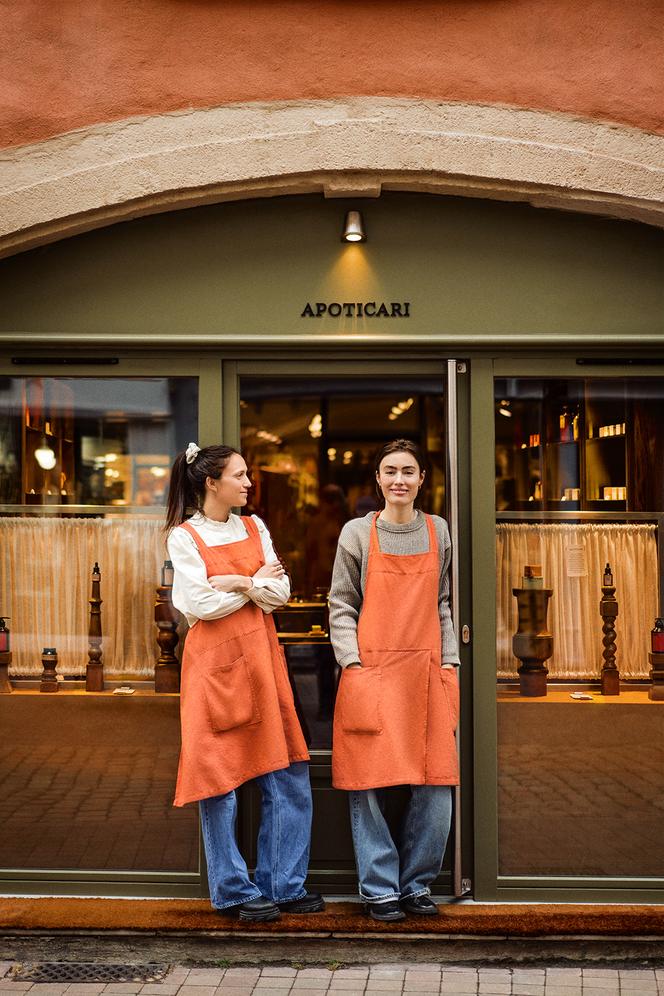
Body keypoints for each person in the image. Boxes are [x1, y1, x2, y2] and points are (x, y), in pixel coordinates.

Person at [165, 442, 324, 922]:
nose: (249, 482)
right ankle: (233, 890)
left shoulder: (256, 526)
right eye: (240, 475)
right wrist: (250, 582)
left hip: (261, 660)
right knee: (219, 780)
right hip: (215, 670)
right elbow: (197, 605)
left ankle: (282, 884)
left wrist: (239, 583)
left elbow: (280, 593)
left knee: (289, 773)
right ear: (212, 483)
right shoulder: (183, 536)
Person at [329, 438, 460, 922]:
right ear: (378, 480)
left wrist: (449, 663)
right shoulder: (356, 534)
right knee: (368, 783)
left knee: (435, 784)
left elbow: (442, 602)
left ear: (423, 479)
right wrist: (353, 663)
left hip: (427, 672)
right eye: (390, 471)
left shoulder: (438, 530)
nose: (399, 479)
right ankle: (379, 888)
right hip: (373, 671)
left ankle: (417, 884)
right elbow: (340, 604)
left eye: (408, 471)